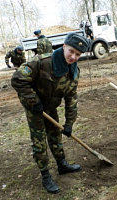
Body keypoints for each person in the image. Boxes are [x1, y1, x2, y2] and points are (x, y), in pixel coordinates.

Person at [11, 33, 89, 194]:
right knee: (39, 141)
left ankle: (62, 165)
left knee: (55, 135)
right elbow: (18, 79)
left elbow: (71, 98)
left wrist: (69, 124)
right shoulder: (42, 62)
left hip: (51, 108)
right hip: (35, 109)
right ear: (64, 47)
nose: (73, 57)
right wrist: (34, 101)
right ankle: (45, 175)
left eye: (78, 55)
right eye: (72, 51)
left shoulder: (74, 71)